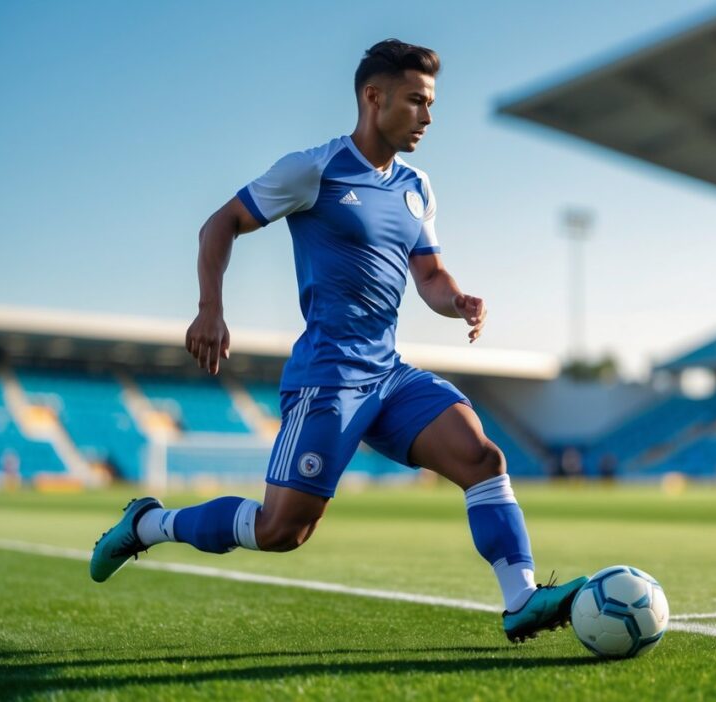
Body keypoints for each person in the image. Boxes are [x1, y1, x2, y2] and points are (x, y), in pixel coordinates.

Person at [89, 39, 586, 643]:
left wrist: (456, 300)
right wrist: (210, 309)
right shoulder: (313, 169)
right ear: (373, 98)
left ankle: (521, 599)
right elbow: (219, 223)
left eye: (431, 104)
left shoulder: (417, 187)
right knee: (281, 531)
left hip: (391, 374)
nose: (428, 117)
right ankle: (149, 525)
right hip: (328, 375)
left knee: (483, 458)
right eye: (416, 102)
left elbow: (427, 274)